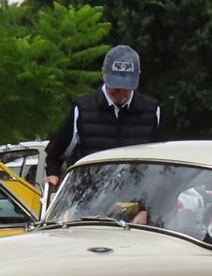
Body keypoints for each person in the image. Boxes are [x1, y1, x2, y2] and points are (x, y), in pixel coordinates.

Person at [44, 44, 167, 189]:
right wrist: (52, 175)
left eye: (127, 86)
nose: (122, 91)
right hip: (87, 200)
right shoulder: (82, 109)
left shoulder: (153, 111)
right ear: (104, 73)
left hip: (138, 199)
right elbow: (54, 156)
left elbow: (166, 164)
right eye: (116, 86)